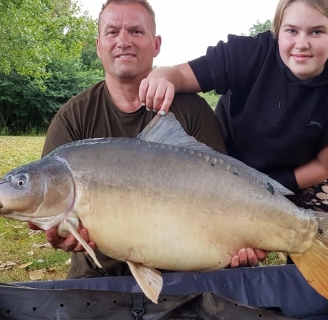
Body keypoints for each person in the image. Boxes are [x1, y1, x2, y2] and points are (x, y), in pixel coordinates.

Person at [32, 0, 265, 279]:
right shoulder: (74, 116)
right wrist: (56, 235)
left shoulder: (191, 110)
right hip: (98, 278)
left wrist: (242, 242)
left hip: (186, 274)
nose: (123, 41)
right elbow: (45, 205)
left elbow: (225, 190)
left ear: (156, 44)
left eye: (136, 31)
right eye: (112, 32)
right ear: (98, 45)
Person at [139, 0, 328, 226]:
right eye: (291, 31)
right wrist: (159, 78)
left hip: (300, 174)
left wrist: (264, 188)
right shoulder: (249, 52)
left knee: (318, 237)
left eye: (316, 32)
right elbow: (177, 74)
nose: (301, 44)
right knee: (227, 244)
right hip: (227, 167)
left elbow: (322, 166)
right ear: (278, 30)